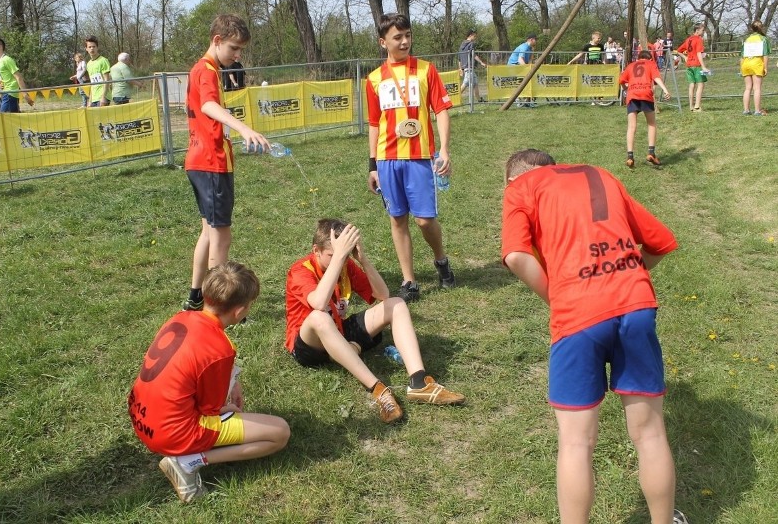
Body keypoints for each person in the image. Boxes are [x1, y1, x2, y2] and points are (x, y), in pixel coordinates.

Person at [500, 148, 689, 524]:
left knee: (576, 443)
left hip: (577, 314)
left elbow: (516, 256)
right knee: (650, 435)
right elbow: (660, 242)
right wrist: (626, 275)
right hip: (635, 304)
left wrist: (559, 296)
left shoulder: (520, 188)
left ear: (511, 179)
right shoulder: (600, 173)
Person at [128, 261, 290, 503]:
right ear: (239, 311)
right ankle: (188, 462)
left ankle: (186, 456)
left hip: (141, 418)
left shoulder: (181, 317)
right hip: (172, 434)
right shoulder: (220, 348)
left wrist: (232, 381)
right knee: (279, 432)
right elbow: (209, 410)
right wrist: (228, 410)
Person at [285, 218, 465, 423]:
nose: (342, 261)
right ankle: (379, 390)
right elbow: (318, 302)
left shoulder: (345, 265)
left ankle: (419, 382)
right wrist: (339, 258)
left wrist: (363, 260)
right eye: (333, 256)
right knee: (319, 318)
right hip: (309, 344)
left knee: (396, 304)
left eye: (345, 256)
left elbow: (382, 294)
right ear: (315, 250)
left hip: (339, 330)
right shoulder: (300, 270)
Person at [181, 14, 271, 312]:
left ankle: (196, 296)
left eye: (241, 50)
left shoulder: (204, 69)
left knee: (208, 232)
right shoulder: (206, 69)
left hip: (199, 161)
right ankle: (216, 305)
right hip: (210, 162)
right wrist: (244, 128)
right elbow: (208, 105)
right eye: (234, 48)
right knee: (221, 234)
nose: (237, 55)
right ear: (217, 41)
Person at [365, 13, 456, 302]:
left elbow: (441, 110)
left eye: (407, 35)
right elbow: (374, 123)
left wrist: (443, 149)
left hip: (419, 157)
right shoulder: (374, 79)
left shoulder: (426, 70)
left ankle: (441, 260)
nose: (405, 42)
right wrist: (372, 165)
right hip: (387, 159)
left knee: (425, 220)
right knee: (397, 219)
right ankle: (409, 281)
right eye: (397, 37)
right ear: (383, 42)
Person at [619, 50, 672, 168]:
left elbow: (621, 81)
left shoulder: (631, 65)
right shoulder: (651, 64)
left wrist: (626, 90)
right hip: (645, 94)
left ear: (638, 58)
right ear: (649, 58)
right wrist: (665, 90)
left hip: (632, 95)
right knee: (651, 124)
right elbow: (657, 78)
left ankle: (630, 156)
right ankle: (651, 152)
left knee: (631, 127)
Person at [0, 37, 35, 112]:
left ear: (0, 46)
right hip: (4, 93)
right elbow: (1, 77)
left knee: (5, 118)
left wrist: (25, 94)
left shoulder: (7, 60)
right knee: (12, 120)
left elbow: (18, 77)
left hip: (10, 93)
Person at [676, 24, 710, 112]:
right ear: (697, 30)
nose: (703, 32)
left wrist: (685, 57)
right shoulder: (699, 39)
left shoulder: (688, 39)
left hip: (689, 65)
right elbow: (699, 53)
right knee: (700, 84)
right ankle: (697, 106)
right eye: (702, 30)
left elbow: (678, 50)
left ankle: (691, 106)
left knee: (691, 85)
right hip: (697, 65)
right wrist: (703, 66)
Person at [740, 20, 770, 116]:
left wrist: (741, 68)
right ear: (761, 28)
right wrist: (765, 67)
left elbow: (742, 56)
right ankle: (757, 110)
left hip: (746, 64)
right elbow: (765, 54)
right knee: (757, 88)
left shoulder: (747, 39)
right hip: (756, 64)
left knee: (747, 88)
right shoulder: (763, 39)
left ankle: (746, 110)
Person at [458, 28, 487, 103]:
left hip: (466, 67)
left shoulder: (461, 45)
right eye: (474, 36)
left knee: (475, 83)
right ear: (470, 35)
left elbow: (459, 58)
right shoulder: (471, 44)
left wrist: (460, 68)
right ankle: (455, 97)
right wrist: (481, 62)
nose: (475, 38)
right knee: (466, 83)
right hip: (469, 67)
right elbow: (473, 55)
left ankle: (479, 99)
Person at [84, 36, 111, 107]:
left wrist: (103, 97)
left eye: (94, 46)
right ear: (86, 49)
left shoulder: (103, 60)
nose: (92, 48)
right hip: (93, 99)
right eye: (89, 47)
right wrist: (89, 100)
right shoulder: (89, 64)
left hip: (103, 98)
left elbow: (107, 80)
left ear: (97, 48)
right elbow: (92, 83)